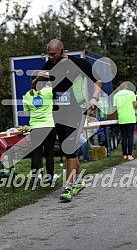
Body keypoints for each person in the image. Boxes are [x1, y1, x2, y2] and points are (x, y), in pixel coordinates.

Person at [40, 39, 102, 201]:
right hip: (58, 112)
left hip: (77, 110)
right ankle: (78, 181)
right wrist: (37, 79)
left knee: (69, 148)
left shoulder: (79, 63)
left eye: (53, 54)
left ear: (62, 50)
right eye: (49, 54)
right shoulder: (48, 65)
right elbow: (40, 86)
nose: (51, 57)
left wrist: (94, 98)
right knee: (67, 148)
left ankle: (68, 188)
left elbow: (98, 80)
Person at [23, 71, 56, 188]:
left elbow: (27, 112)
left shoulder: (27, 95)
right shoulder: (49, 92)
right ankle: (50, 178)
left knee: (36, 154)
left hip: (35, 127)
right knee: (49, 154)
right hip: (49, 126)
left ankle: (34, 179)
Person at [113, 81, 137, 160]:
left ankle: (124, 154)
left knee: (124, 136)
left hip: (121, 118)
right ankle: (130, 154)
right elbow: (135, 104)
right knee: (130, 136)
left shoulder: (116, 95)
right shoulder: (131, 94)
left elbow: (115, 108)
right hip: (130, 117)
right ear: (126, 86)